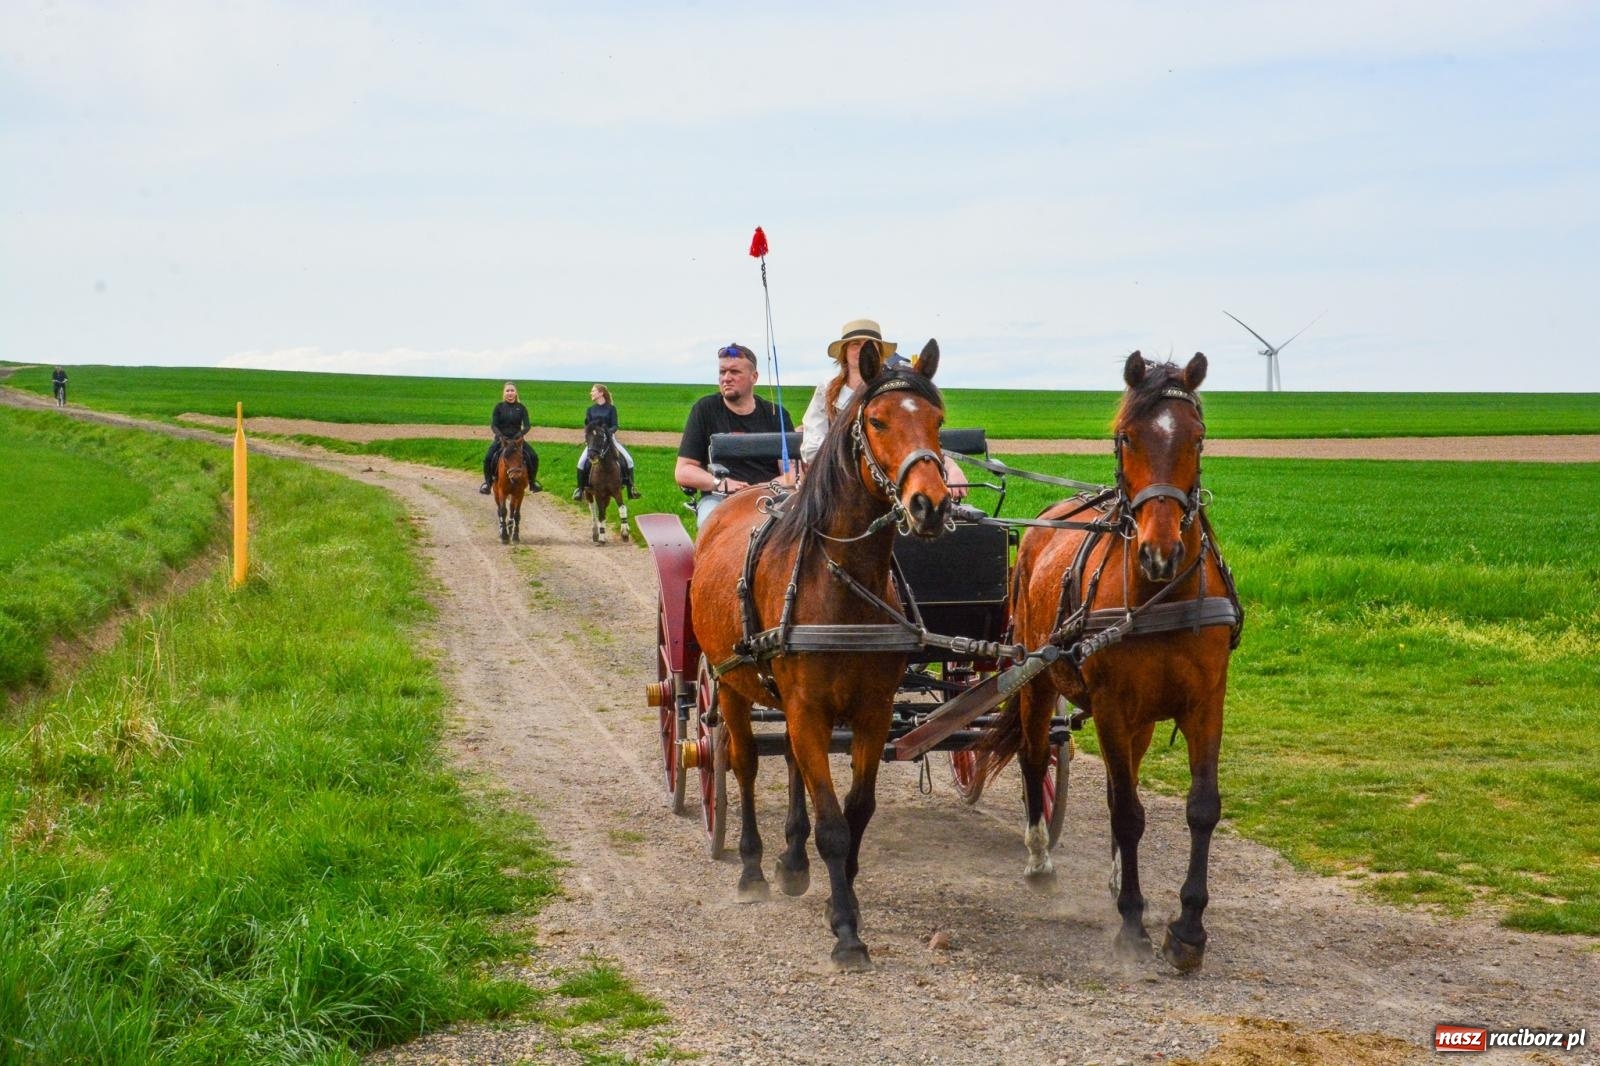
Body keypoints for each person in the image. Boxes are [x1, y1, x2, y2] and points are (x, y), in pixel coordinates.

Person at [799, 318, 966, 497]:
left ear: (878, 352)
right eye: (855, 344)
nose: (861, 349)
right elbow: (812, 446)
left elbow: (912, 438)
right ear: (844, 351)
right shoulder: (827, 389)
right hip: (835, 482)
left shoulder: (894, 391)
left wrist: (950, 465)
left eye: (868, 345)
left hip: (886, 483)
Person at [675, 343, 796, 523]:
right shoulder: (705, 410)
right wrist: (721, 483)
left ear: (754, 377)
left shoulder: (776, 415)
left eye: (735, 372)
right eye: (722, 372)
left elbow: (792, 473)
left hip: (770, 496)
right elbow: (683, 471)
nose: (726, 378)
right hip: (719, 498)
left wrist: (763, 488)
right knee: (712, 526)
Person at [574, 383, 640, 500]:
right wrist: (589, 438)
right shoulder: (590, 410)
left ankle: (631, 488)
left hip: (610, 439)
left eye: (593, 391)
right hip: (594, 442)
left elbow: (615, 426)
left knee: (629, 460)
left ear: (601, 393)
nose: (591, 393)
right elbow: (588, 427)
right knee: (581, 463)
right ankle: (580, 489)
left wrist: (606, 434)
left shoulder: (611, 409)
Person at [480, 381, 543, 494]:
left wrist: (519, 435)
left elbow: (527, 426)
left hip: (517, 440)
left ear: (516, 393)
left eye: (512, 390)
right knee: (488, 458)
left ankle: (532, 482)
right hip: (502, 440)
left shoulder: (521, 408)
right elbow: (494, 425)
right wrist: (500, 436)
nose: (510, 393)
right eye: (507, 391)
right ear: (504, 393)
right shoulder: (499, 407)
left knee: (533, 457)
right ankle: (488, 483)